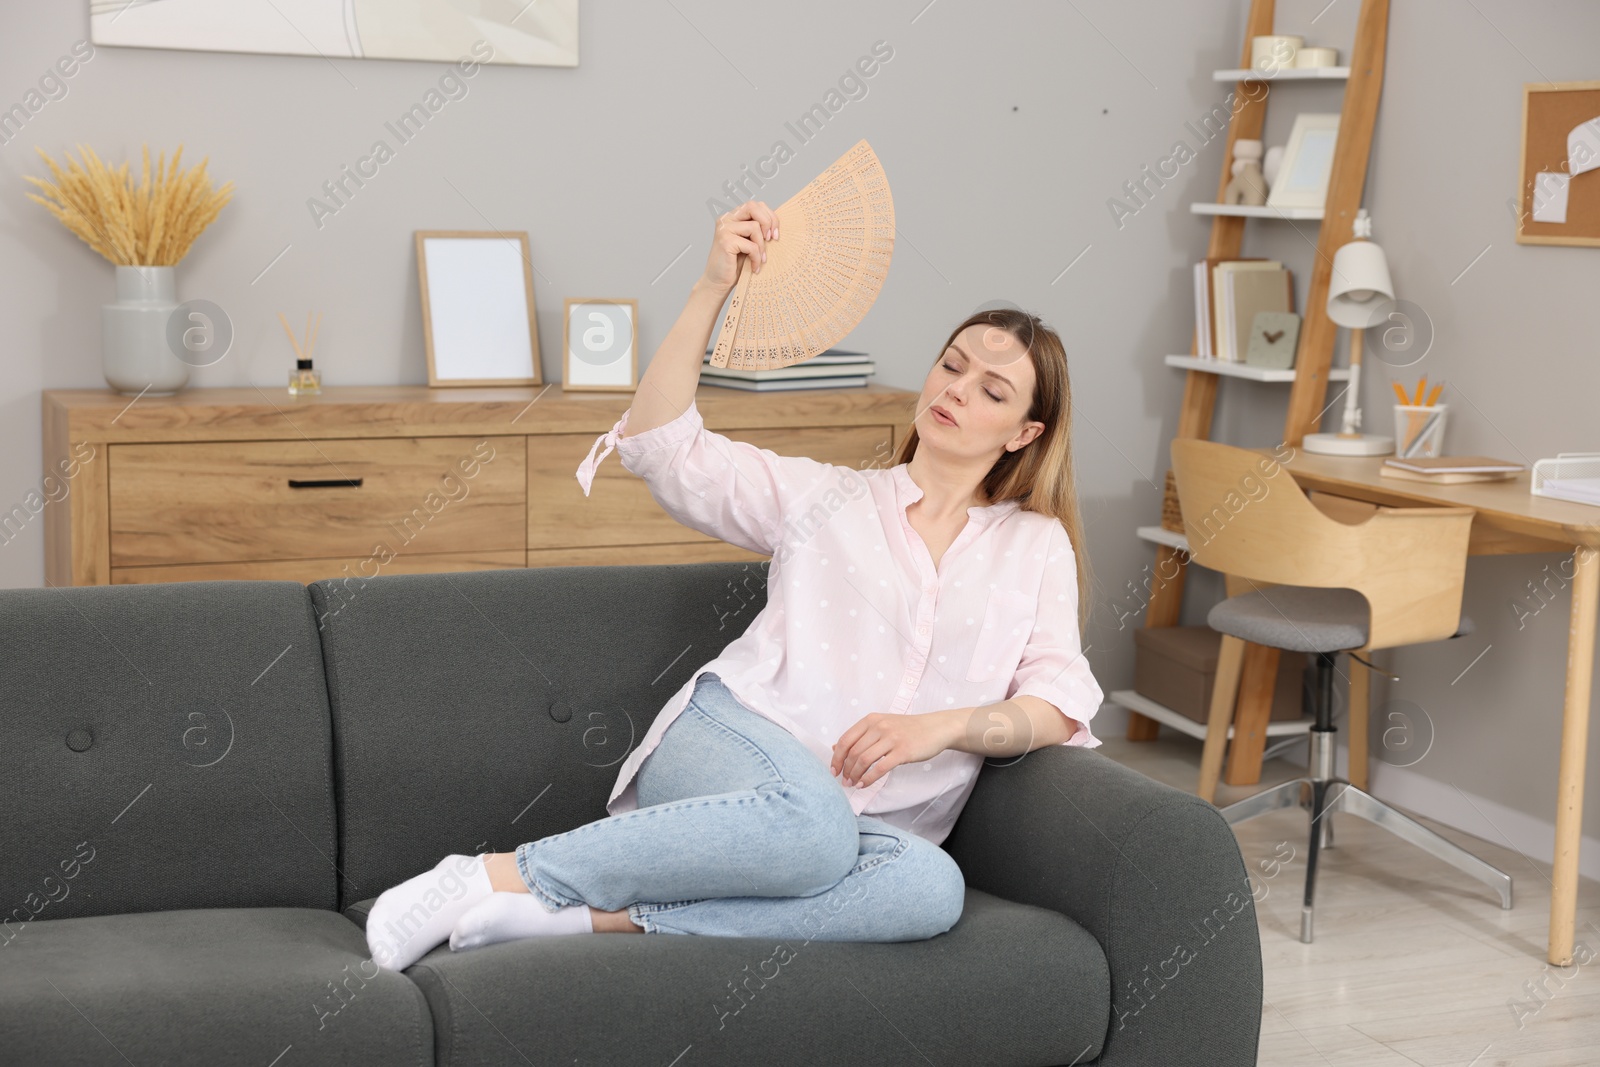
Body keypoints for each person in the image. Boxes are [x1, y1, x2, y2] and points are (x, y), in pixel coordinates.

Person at [365, 200, 1104, 973]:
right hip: (735, 741)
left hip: (872, 824)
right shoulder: (825, 497)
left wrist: (940, 729)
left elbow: (1057, 701)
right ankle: (484, 876)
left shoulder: (1035, 546)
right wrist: (712, 286)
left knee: (928, 888)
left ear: (1025, 433)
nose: (957, 390)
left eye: (993, 390)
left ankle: (590, 920)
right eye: (951, 365)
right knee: (812, 826)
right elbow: (661, 446)